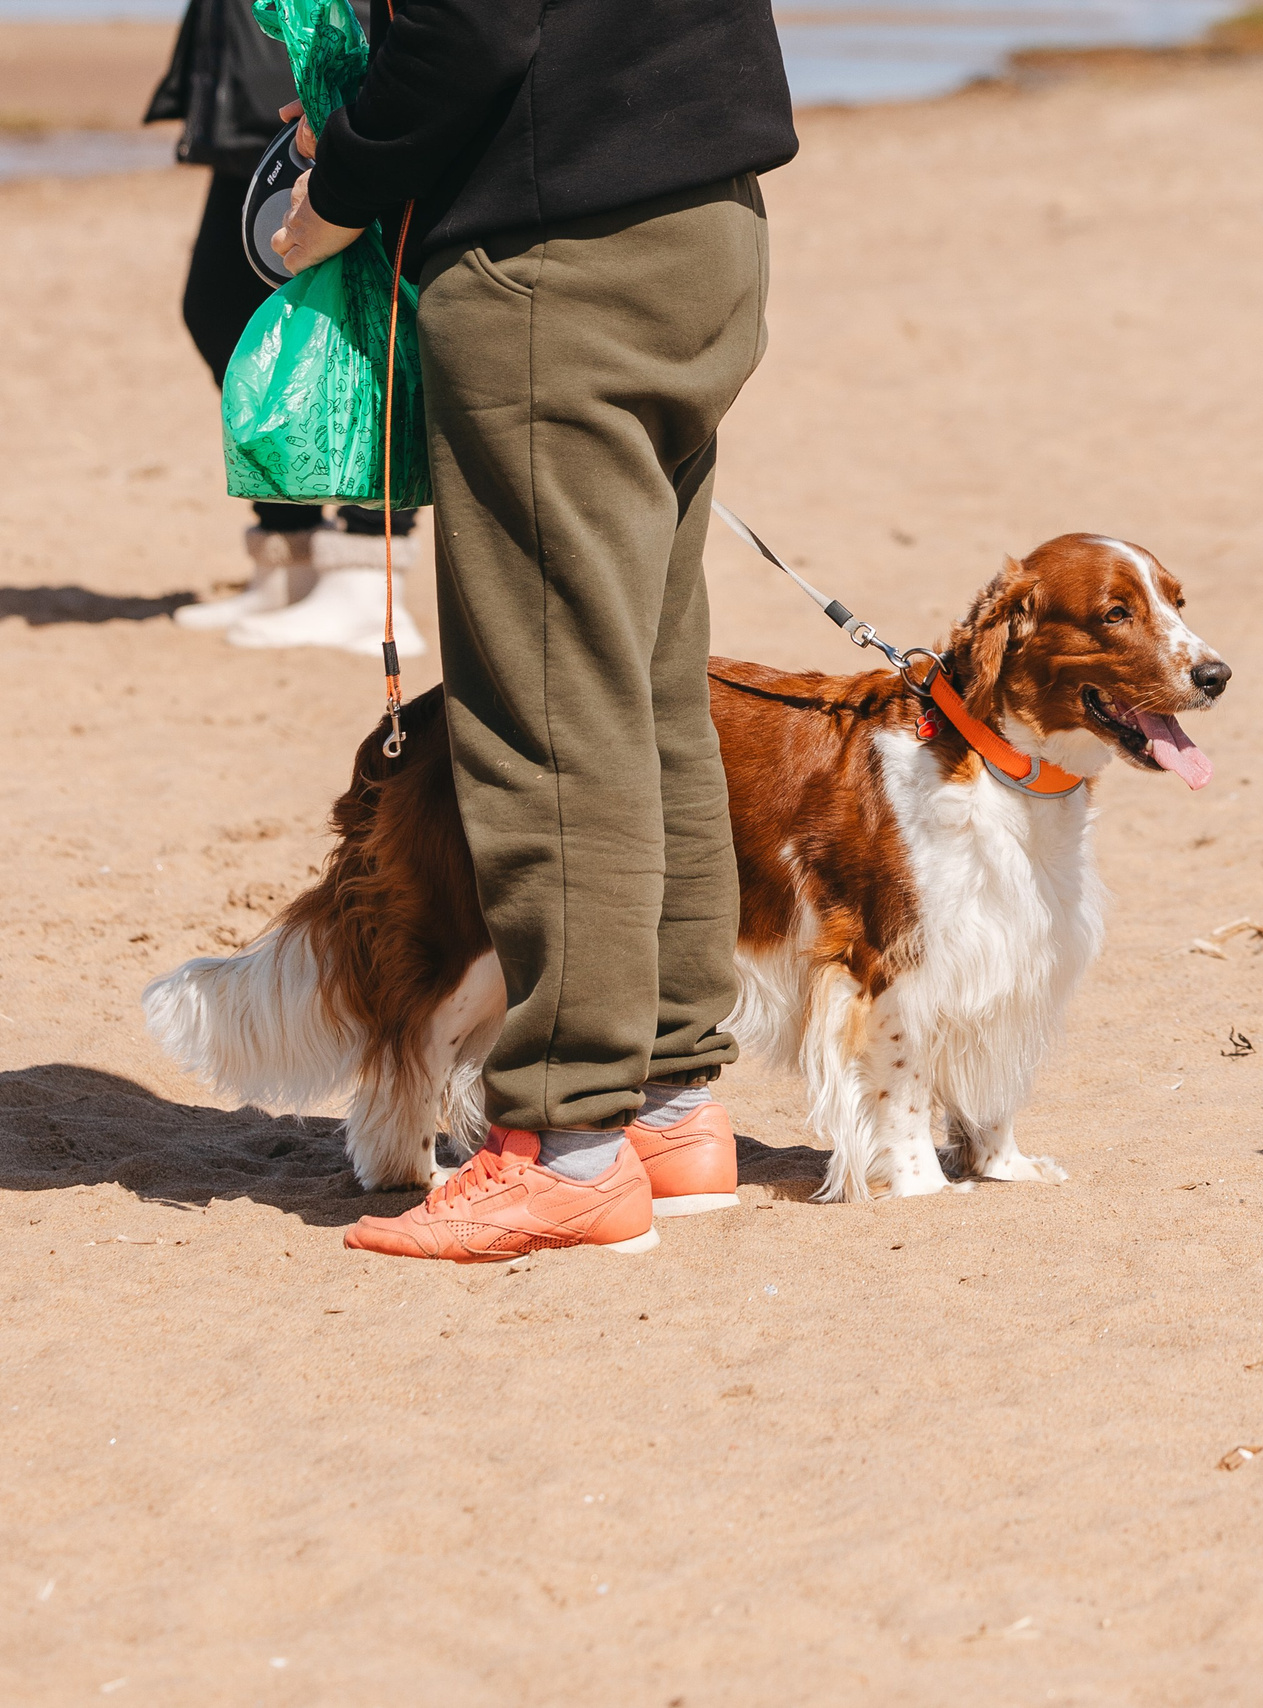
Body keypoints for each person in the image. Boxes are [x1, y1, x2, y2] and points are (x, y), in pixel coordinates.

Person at [264, 0, 798, 1261]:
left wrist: (334, 189)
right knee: (646, 687)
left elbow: (476, 28)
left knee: (544, 707)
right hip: (704, 223)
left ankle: (565, 1142)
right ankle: (668, 1105)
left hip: (560, 248)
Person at [146, 0, 424, 651]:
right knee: (218, 308)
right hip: (248, 72)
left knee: (359, 316)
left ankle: (366, 570)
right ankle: (287, 558)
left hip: (333, 50)